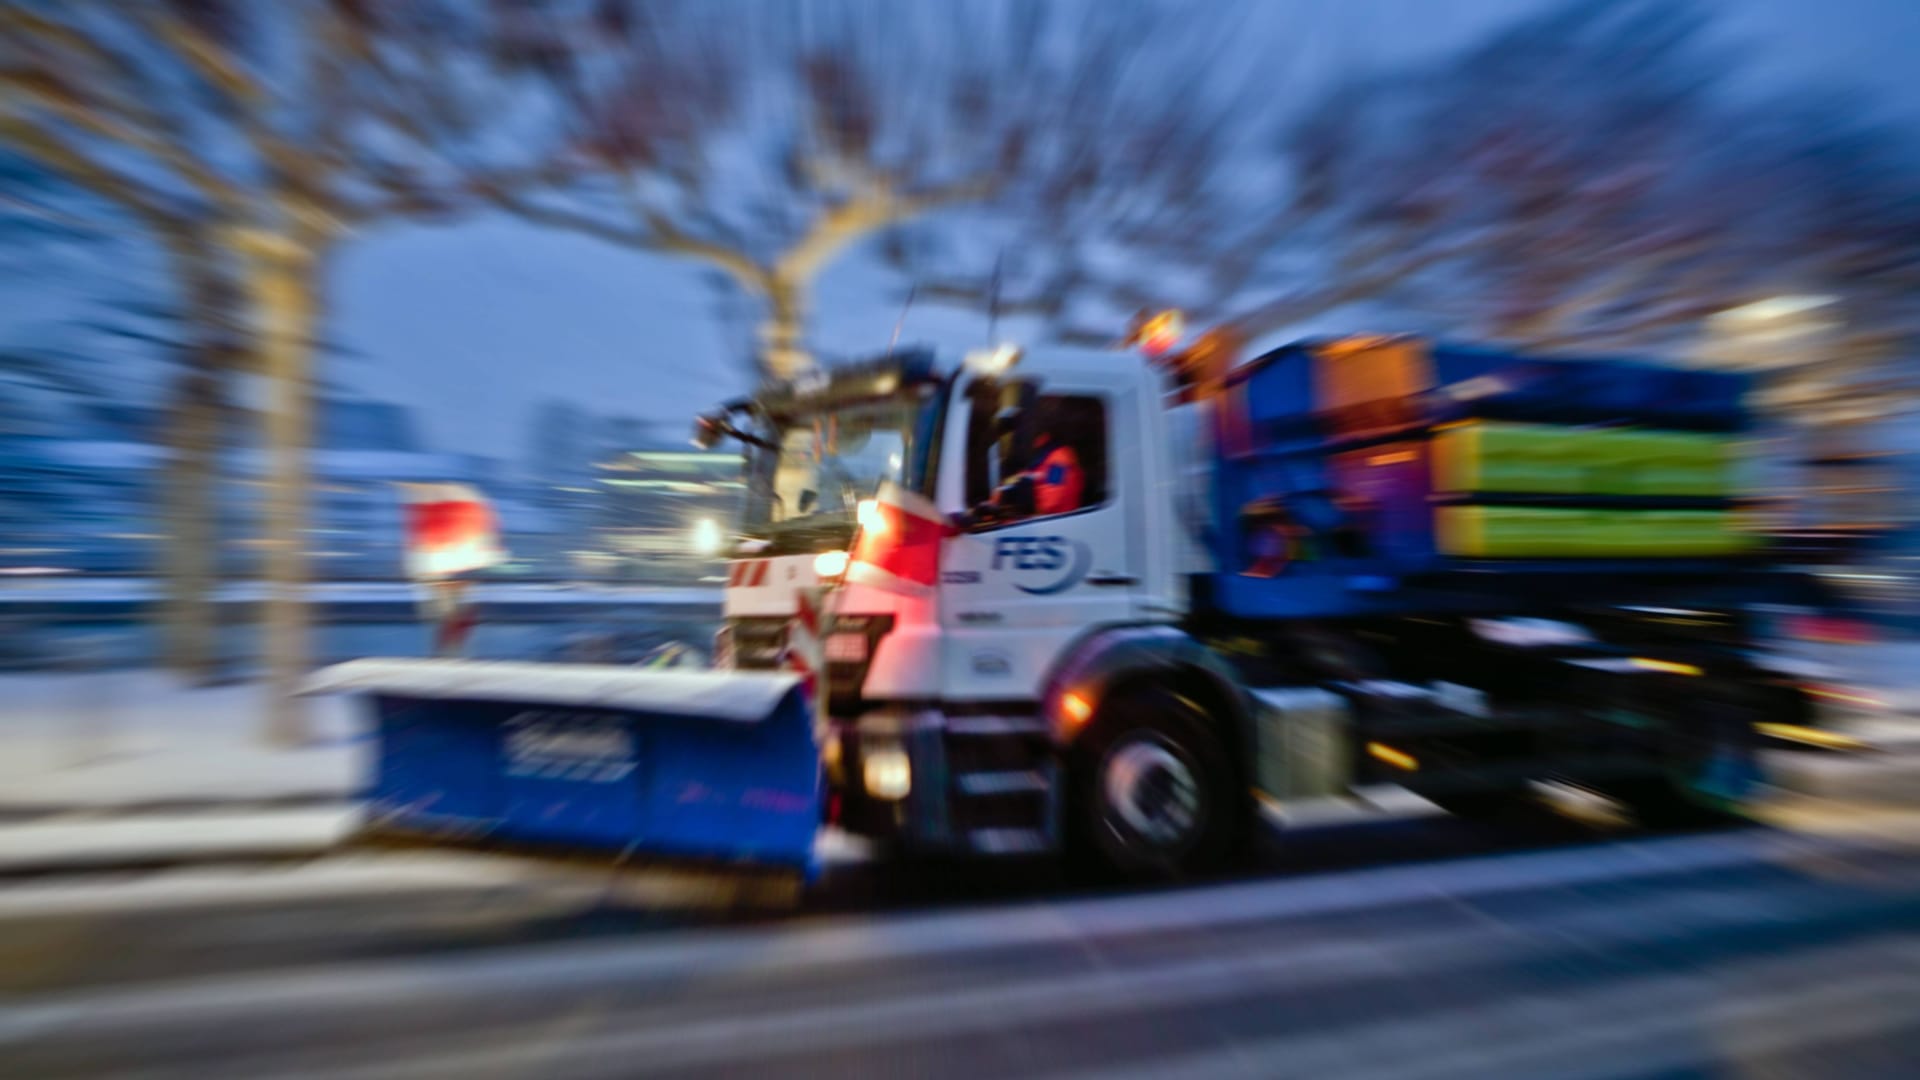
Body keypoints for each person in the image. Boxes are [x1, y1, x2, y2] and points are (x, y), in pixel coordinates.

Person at [1028, 430, 1086, 516]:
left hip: (1062, 517)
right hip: (1059, 516)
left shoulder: (1058, 459)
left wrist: (1037, 512)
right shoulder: (1048, 459)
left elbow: (1052, 500)